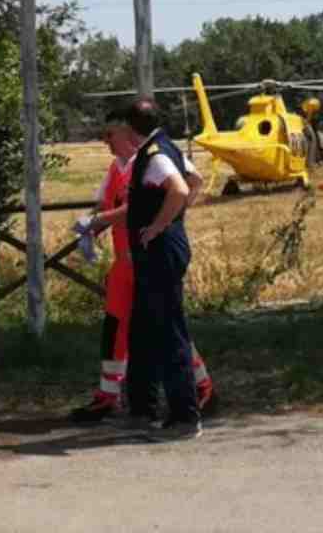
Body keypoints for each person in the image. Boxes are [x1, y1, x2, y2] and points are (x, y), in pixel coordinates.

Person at [69, 111, 216, 424]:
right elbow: (105, 205)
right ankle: (115, 397)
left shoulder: (151, 157)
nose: (105, 141)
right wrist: (92, 228)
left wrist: (167, 221)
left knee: (164, 327)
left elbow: (190, 182)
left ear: (126, 131)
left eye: (109, 134)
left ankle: (197, 390)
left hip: (147, 256)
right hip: (127, 261)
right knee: (120, 328)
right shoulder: (118, 168)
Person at [120, 98, 202, 441]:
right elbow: (196, 180)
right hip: (164, 248)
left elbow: (181, 188)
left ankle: (185, 416)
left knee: (169, 331)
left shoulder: (154, 156)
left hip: (160, 251)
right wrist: (177, 217)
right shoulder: (167, 146)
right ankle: (144, 407)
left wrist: (158, 226)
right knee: (145, 327)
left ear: (129, 127)